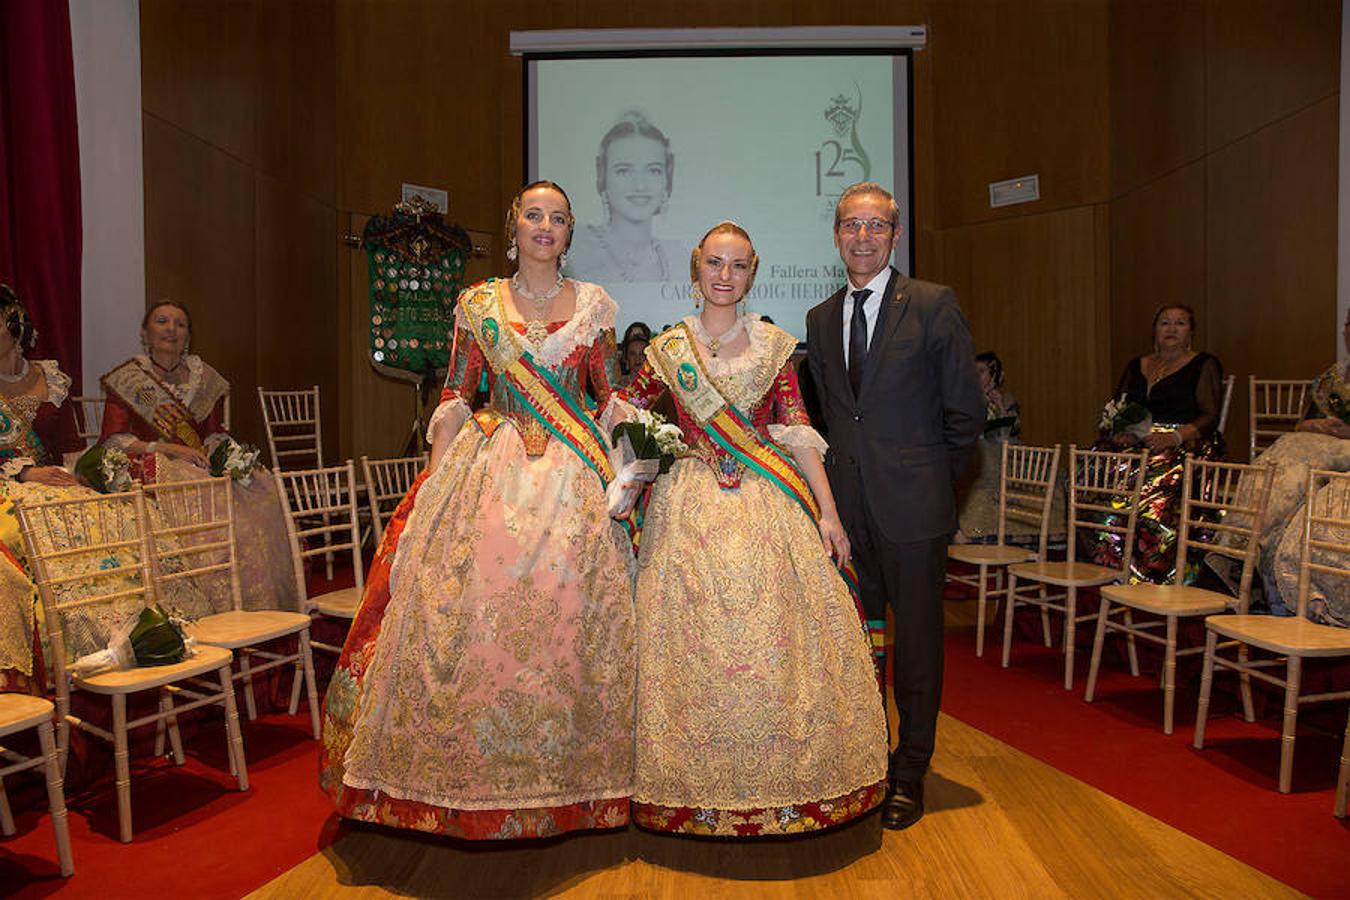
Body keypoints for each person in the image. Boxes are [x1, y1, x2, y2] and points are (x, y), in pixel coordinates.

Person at [321, 181, 636, 840]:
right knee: (473, 623)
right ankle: (467, 783)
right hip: (491, 471)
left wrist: (632, 471)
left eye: (557, 219)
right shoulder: (478, 305)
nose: (544, 227)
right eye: (533, 216)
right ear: (513, 226)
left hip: (573, 484)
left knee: (570, 626)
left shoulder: (596, 308)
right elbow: (458, 395)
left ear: (570, 233)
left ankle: (573, 784)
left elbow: (609, 400)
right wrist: (437, 478)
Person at [611, 222, 887, 837]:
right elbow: (625, 406)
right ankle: (684, 790)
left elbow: (797, 429)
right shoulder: (668, 349)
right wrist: (641, 459)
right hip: (688, 512)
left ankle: (785, 785)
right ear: (695, 266)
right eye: (715, 263)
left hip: (767, 506)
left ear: (753, 271)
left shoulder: (774, 347)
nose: (725, 276)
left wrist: (829, 512)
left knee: (775, 637)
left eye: (738, 266)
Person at [805, 182, 984, 830]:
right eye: (851, 225)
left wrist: (934, 486)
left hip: (915, 514)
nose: (862, 236)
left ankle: (910, 772)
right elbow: (829, 417)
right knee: (858, 648)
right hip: (847, 517)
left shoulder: (934, 306)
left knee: (914, 652)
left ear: (895, 235)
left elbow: (966, 416)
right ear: (835, 235)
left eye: (875, 226)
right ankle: (867, 764)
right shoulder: (820, 319)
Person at [97, 301, 297, 614]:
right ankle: (214, 594)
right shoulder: (128, 378)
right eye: (162, 321)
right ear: (145, 333)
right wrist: (171, 450)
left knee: (256, 482)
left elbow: (213, 434)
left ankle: (257, 598)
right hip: (150, 463)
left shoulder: (204, 378)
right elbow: (114, 440)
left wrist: (230, 458)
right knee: (201, 490)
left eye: (179, 323)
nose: (170, 329)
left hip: (198, 462)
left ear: (188, 335)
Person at [1087, 304, 1225, 583]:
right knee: (1090, 470)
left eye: (1180, 323)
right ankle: (1105, 561)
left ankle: (1150, 572)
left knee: (1150, 483)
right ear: (1155, 331)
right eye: (1164, 323)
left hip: (1183, 443)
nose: (1171, 329)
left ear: (1191, 332)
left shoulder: (1204, 364)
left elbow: (1210, 416)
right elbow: (1120, 407)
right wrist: (1121, 431)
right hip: (1135, 444)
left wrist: (1173, 437)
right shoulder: (1136, 365)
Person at [0, 285, 86, 693]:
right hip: (7, 491)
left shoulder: (49, 377)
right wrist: (22, 475)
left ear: (16, 328)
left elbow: (69, 446)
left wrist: (79, 479)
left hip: (56, 485)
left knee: (107, 519)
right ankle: (49, 660)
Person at [565, 111, 685, 286]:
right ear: (603, 176)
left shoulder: (680, 258)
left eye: (653, 170)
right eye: (624, 170)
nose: (640, 186)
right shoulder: (574, 251)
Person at [955, 351, 1023, 543]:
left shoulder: (1006, 398)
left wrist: (999, 404)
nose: (976, 376)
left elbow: (1014, 429)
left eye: (982, 371)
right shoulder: (966, 398)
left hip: (1001, 450)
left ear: (993, 375)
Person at [1296, 306, 1350, 439]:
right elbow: (1302, 426)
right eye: (1348, 324)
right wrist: (1319, 425)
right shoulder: (1331, 379)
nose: (1346, 331)